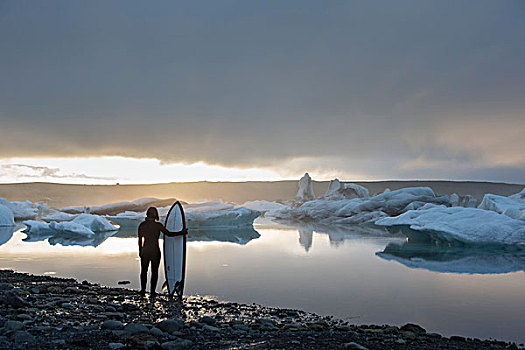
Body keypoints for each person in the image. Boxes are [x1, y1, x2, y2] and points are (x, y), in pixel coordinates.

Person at [138, 207, 187, 297]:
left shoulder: (142, 225)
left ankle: (143, 291)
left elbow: (140, 240)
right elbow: (169, 234)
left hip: (145, 250)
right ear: (155, 214)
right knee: (154, 272)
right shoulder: (158, 225)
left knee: (144, 271)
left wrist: (140, 251)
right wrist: (181, 232)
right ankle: (152, 292)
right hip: (155, 251)